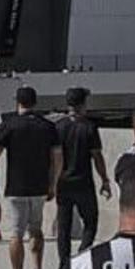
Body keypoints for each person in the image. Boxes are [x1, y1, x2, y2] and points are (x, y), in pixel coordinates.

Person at [0, 85, 63, 269]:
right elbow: (57, 158)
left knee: (16, 234)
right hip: (39, 186)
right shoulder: (47, 126)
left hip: (16, 187)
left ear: (17, 102)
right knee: (36, 229)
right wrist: (53, 183)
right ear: (35, 102)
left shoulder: (10, 125)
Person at [48, 87, 107, 255]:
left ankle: (64, 264)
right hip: (84, 182)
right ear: (82, 104)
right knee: (90, 222)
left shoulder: (58, 127)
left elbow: (52, 158)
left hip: (63, 182)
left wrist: (51, 182)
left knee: (63, 227)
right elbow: (97, 156)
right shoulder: (89, 127)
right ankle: (83, 252)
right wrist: (104, 179)